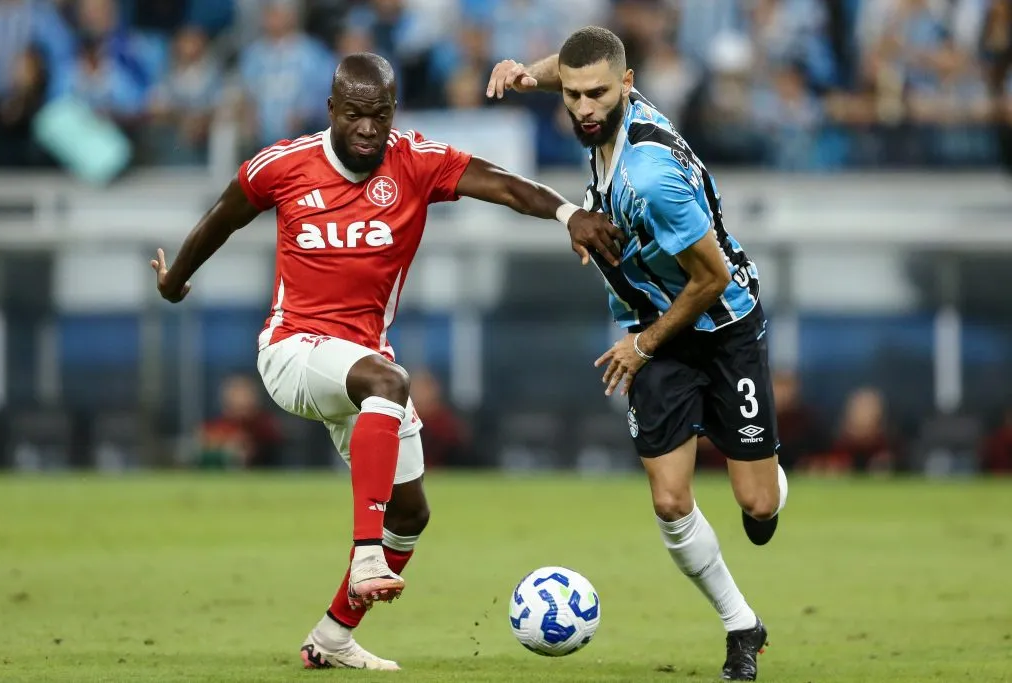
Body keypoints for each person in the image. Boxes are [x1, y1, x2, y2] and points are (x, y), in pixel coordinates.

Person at [149, 52, 619, 671]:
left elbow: (504, 184)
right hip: (291, 350)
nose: (368, 128)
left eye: (380, 115)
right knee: (389, 382)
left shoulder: (415, 163)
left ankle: (333, 636)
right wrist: (175, 282)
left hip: (363, 363)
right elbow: (222, 219)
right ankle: (365, 551)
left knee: (411, 512)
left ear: (393, 112)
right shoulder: (284, 165)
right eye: (355, 116)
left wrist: (569, 212)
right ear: (331, 112)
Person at [486, 27, 789, 682]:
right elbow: (572, 67)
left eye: (597, 94)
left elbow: (710, 279)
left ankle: (757, 463)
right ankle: (742, 624)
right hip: (648, 321)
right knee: (672, 500)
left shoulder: (650, 178)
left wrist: (643, 344)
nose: (584, 107)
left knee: (758, 505)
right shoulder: (597, 106)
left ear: (627, 87)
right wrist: (522, 74)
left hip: (721, 323)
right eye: (572, 95)